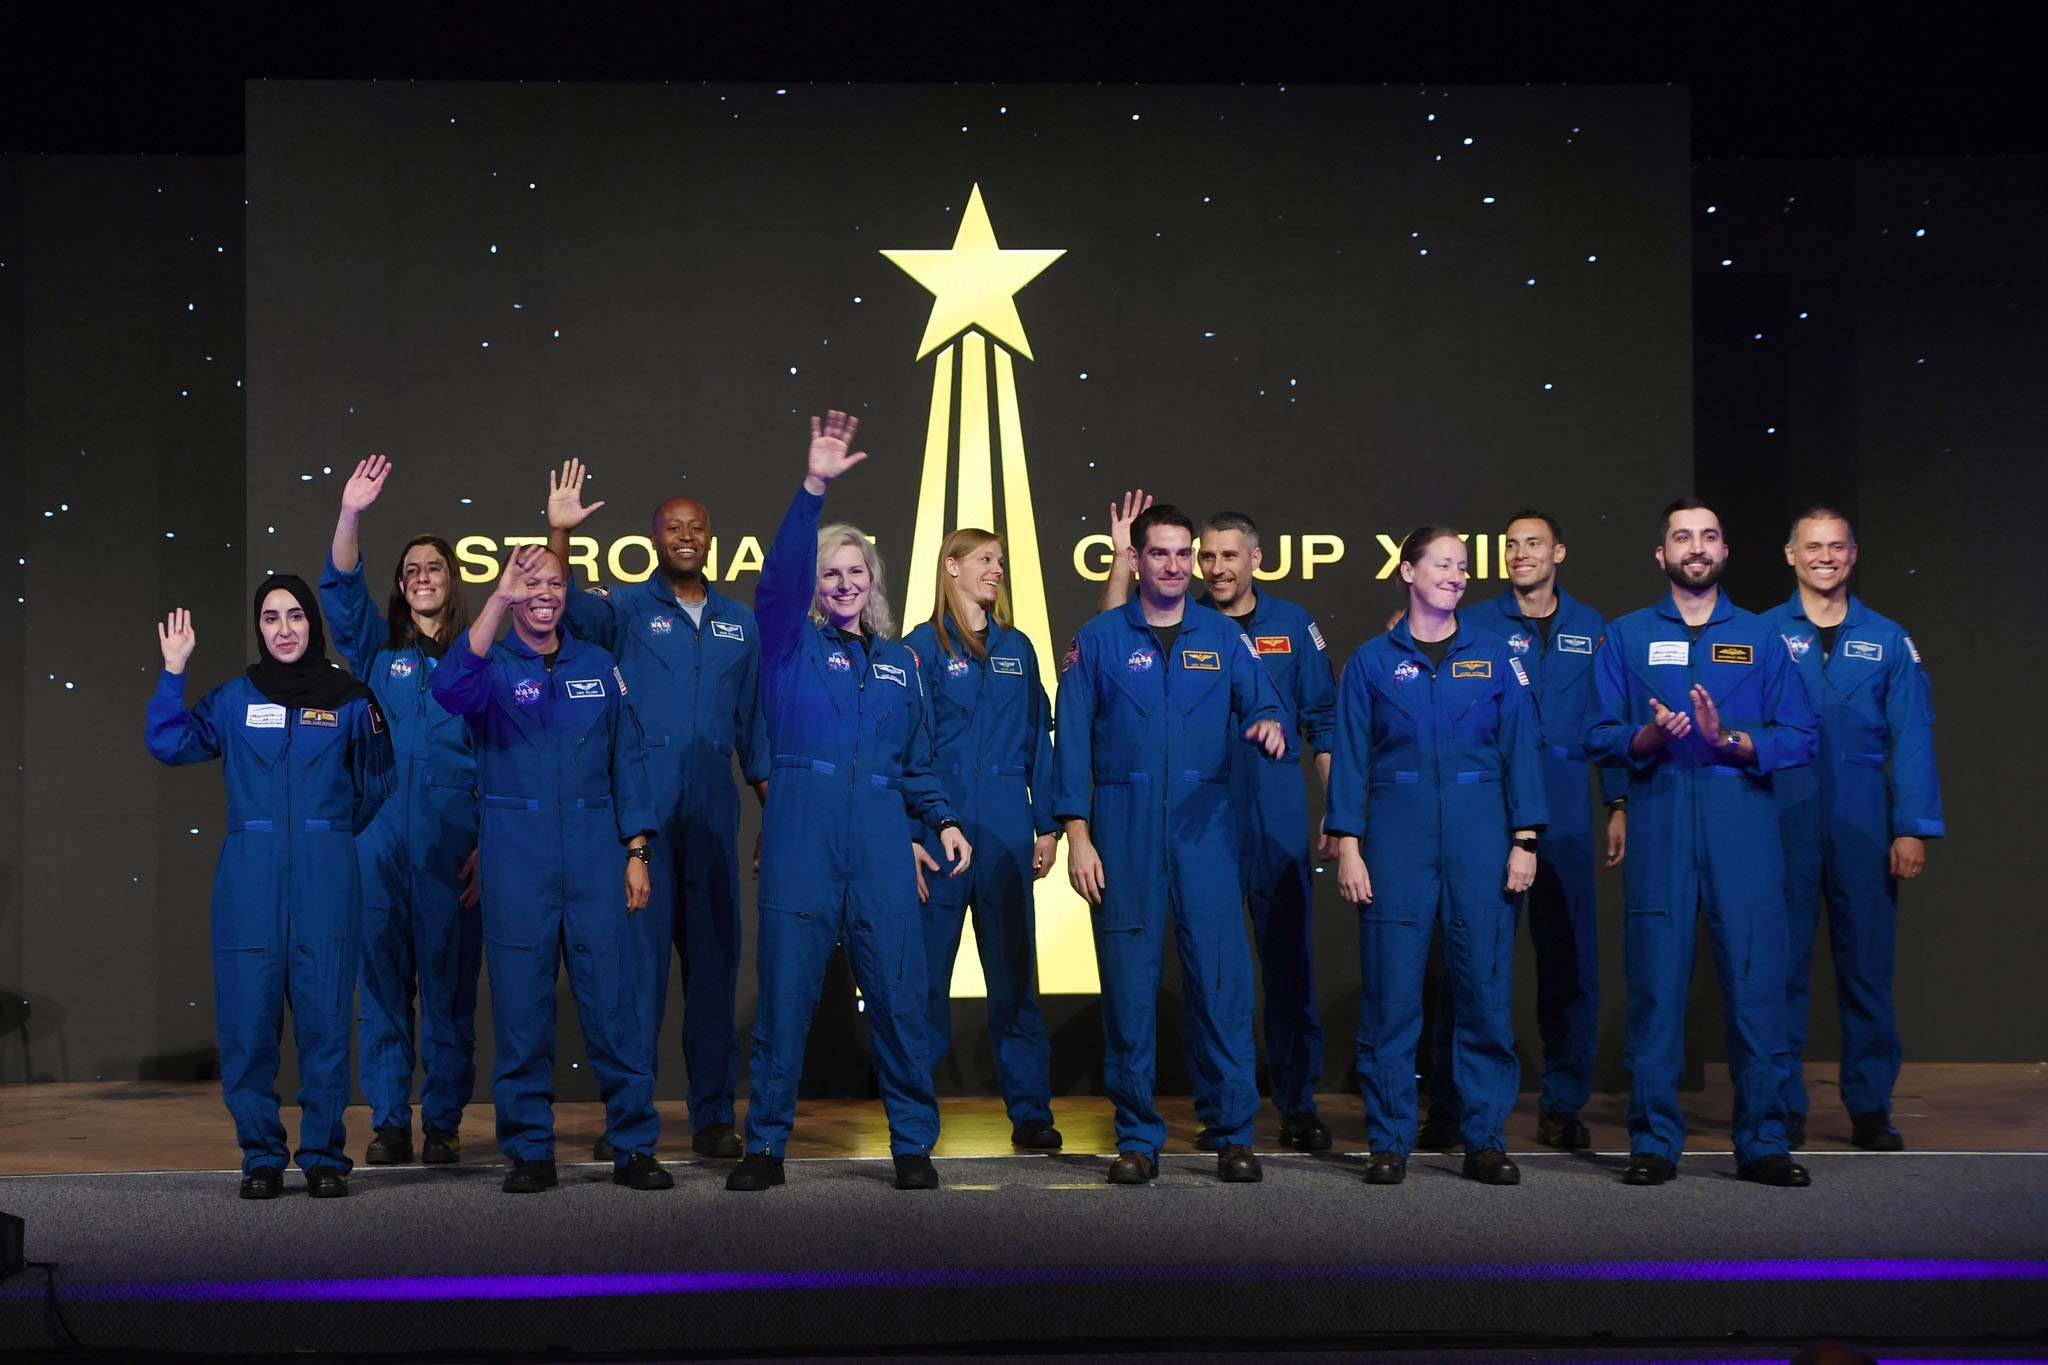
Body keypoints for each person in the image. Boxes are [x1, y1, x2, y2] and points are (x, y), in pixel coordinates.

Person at [727, 411, 972, 1194]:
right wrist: (814, 489)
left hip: (877, 847)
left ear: (873, 584)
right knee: (785, 1010)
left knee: (900, 1004)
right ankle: (764, 1147)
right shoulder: (786, 645)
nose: (841, 584)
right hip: (802, 839)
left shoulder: (903, 662)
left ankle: (912, 1145)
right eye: (831, 574)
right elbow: (780, 578)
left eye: (854, 574)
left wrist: (943, 819)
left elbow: (918, 762)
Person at [1054, 503, 1293, 1185]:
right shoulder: (1097, 639)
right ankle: (1137, 1136)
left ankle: (1233, 1133)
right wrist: (1078, 834)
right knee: (1129, 991)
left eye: (1183, 554)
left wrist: (1272, 726)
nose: (1176, 565)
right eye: (1159, 553)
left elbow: (1268, 702)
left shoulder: (1221, 635)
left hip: (1207, 830)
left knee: (1221, 984)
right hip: (1123, 831)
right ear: (1135, 559)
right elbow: (1070, 740)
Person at [1586, 498, 1819, 1187]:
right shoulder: (1624, 637)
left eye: (1709, 535)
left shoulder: (1763, 638)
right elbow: (1597, 732)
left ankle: (1764, 1142)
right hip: (1659, 817)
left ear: (1725, 552)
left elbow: (1801, 734)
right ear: (1661, 555)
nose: (1696, 546)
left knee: (1756, 987)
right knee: (1655, 988)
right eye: (1682, 537)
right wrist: (1648, 737)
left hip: (1740, 820)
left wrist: (1731, 742)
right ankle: (1654, 1141)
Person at [1097, 497, 1336, 1152]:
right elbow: (1106, 657)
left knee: (1287, 964)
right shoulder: (1185, 626)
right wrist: (1120, 561)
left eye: (1229, 555)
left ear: (1257, 559)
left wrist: (1338, 810)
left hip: (1276, 813)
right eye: (1208, 555)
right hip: (1201, 823)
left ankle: (1296, 1100)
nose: (1215, 566)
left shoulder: (1290, 624)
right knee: (1212, 973)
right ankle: (1218, 1110)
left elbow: (1323, 719)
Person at [546, 462, 769, 1162]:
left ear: (712, 540)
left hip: (711, 822)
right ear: (654, 537)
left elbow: (756, 733)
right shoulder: (624, 610)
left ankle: (712, 1117)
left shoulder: (740, 624)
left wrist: (775, 819)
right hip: (640, 823)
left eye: (696, 528)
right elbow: (560, 604)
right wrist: (560, 531)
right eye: (673, 527)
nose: (685, 536)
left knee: (712, 976)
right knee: (634, 984)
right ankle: (630, 1124)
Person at [430, 545, 670, 1194]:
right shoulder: (491, 665)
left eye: (555, 582)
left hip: (596, 852)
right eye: (530, 583)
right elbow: (447, 687)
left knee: (614, 1009)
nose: (545, 593)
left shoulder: (598, 663)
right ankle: (530, 1149)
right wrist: (498, 598)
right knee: (521, 1014)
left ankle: (633, 1145)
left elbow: (629, 760)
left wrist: (638, 850)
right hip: (516, 852)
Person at [146, 581, 395, 1198]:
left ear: (312, 621)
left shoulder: (351, 699)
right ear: (259, 628)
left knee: (326, 1025)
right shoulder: (233, 700)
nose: (284, 629)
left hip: (326, 878)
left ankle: (324, 1158)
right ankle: (260, 1155)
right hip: (247, 885)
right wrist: (173, 671)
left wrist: (328, 834)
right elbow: (169, 743)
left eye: (294, 616)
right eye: (270, 618)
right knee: (247, 1026)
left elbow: (379, 781)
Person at [1325, 528, 1547, 1186]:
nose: (1456, 574)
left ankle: (1483, 1137)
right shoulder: (1369, 662)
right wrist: (1349, 846)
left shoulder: (1497, 656)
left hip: (1483, 836)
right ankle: (1388, 1138)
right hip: (1395, 837)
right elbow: (1351, 761)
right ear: (1407, 570)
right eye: (1443, 563)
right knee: (1392, 997)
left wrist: (1524, 839)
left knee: (1482, 991)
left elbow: (1522, 750)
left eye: (1462, 566)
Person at [1423, 510, 1626, 1152]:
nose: (1519, 554)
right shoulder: (1475, 623)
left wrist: (1617, 801)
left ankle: (1563, 1104)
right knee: (1473, 962)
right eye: (1510, 546)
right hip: (1489, 807)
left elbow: (1611, 717)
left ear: (1559, 552)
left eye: (1532, 544)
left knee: (1569, 961)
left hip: (1566, 806)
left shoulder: (1594, 628)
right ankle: (1452, 1108)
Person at [319, 454, 483, 1168]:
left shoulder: (479, 662)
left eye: (434, 568)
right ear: (401, 585)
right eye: (410, 569)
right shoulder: (375, 656)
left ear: (453, 581)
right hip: (378, 840)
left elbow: (503, 760)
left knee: (448, 986)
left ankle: (442, 1119)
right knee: (381, 982)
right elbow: (342, 590)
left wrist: (492, 842)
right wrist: (350, 512)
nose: (421, 576)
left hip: (454, 844)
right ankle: (389, 1119)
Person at [1765, 507, 1942, 1151]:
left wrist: (1913, 827)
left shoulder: (1890, 640)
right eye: (1812, 547)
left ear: (1853, 554)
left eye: (1836, 547)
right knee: (1777, 966)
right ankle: (1779, 1104)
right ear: (1791, 555)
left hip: (1864, 818)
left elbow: (1914, 737)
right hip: (1781, 813)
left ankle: (1869, 1104)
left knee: (1866, 965)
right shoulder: (1759, 636)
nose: (1825, 557)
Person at [904, 529, 1063, 1150]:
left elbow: (1038, 738)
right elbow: (905, 748)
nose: (997, 569)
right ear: (952, 567)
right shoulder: (918, 647)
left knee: (1016, 981)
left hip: (1003, 831)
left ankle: (1031, 1113)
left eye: (1001, 559)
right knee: (922, 988)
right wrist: (910, 829)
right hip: (937, 830)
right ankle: (914, 1119)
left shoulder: (1018, 649)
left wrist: (1046, 823)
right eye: (984, 560)